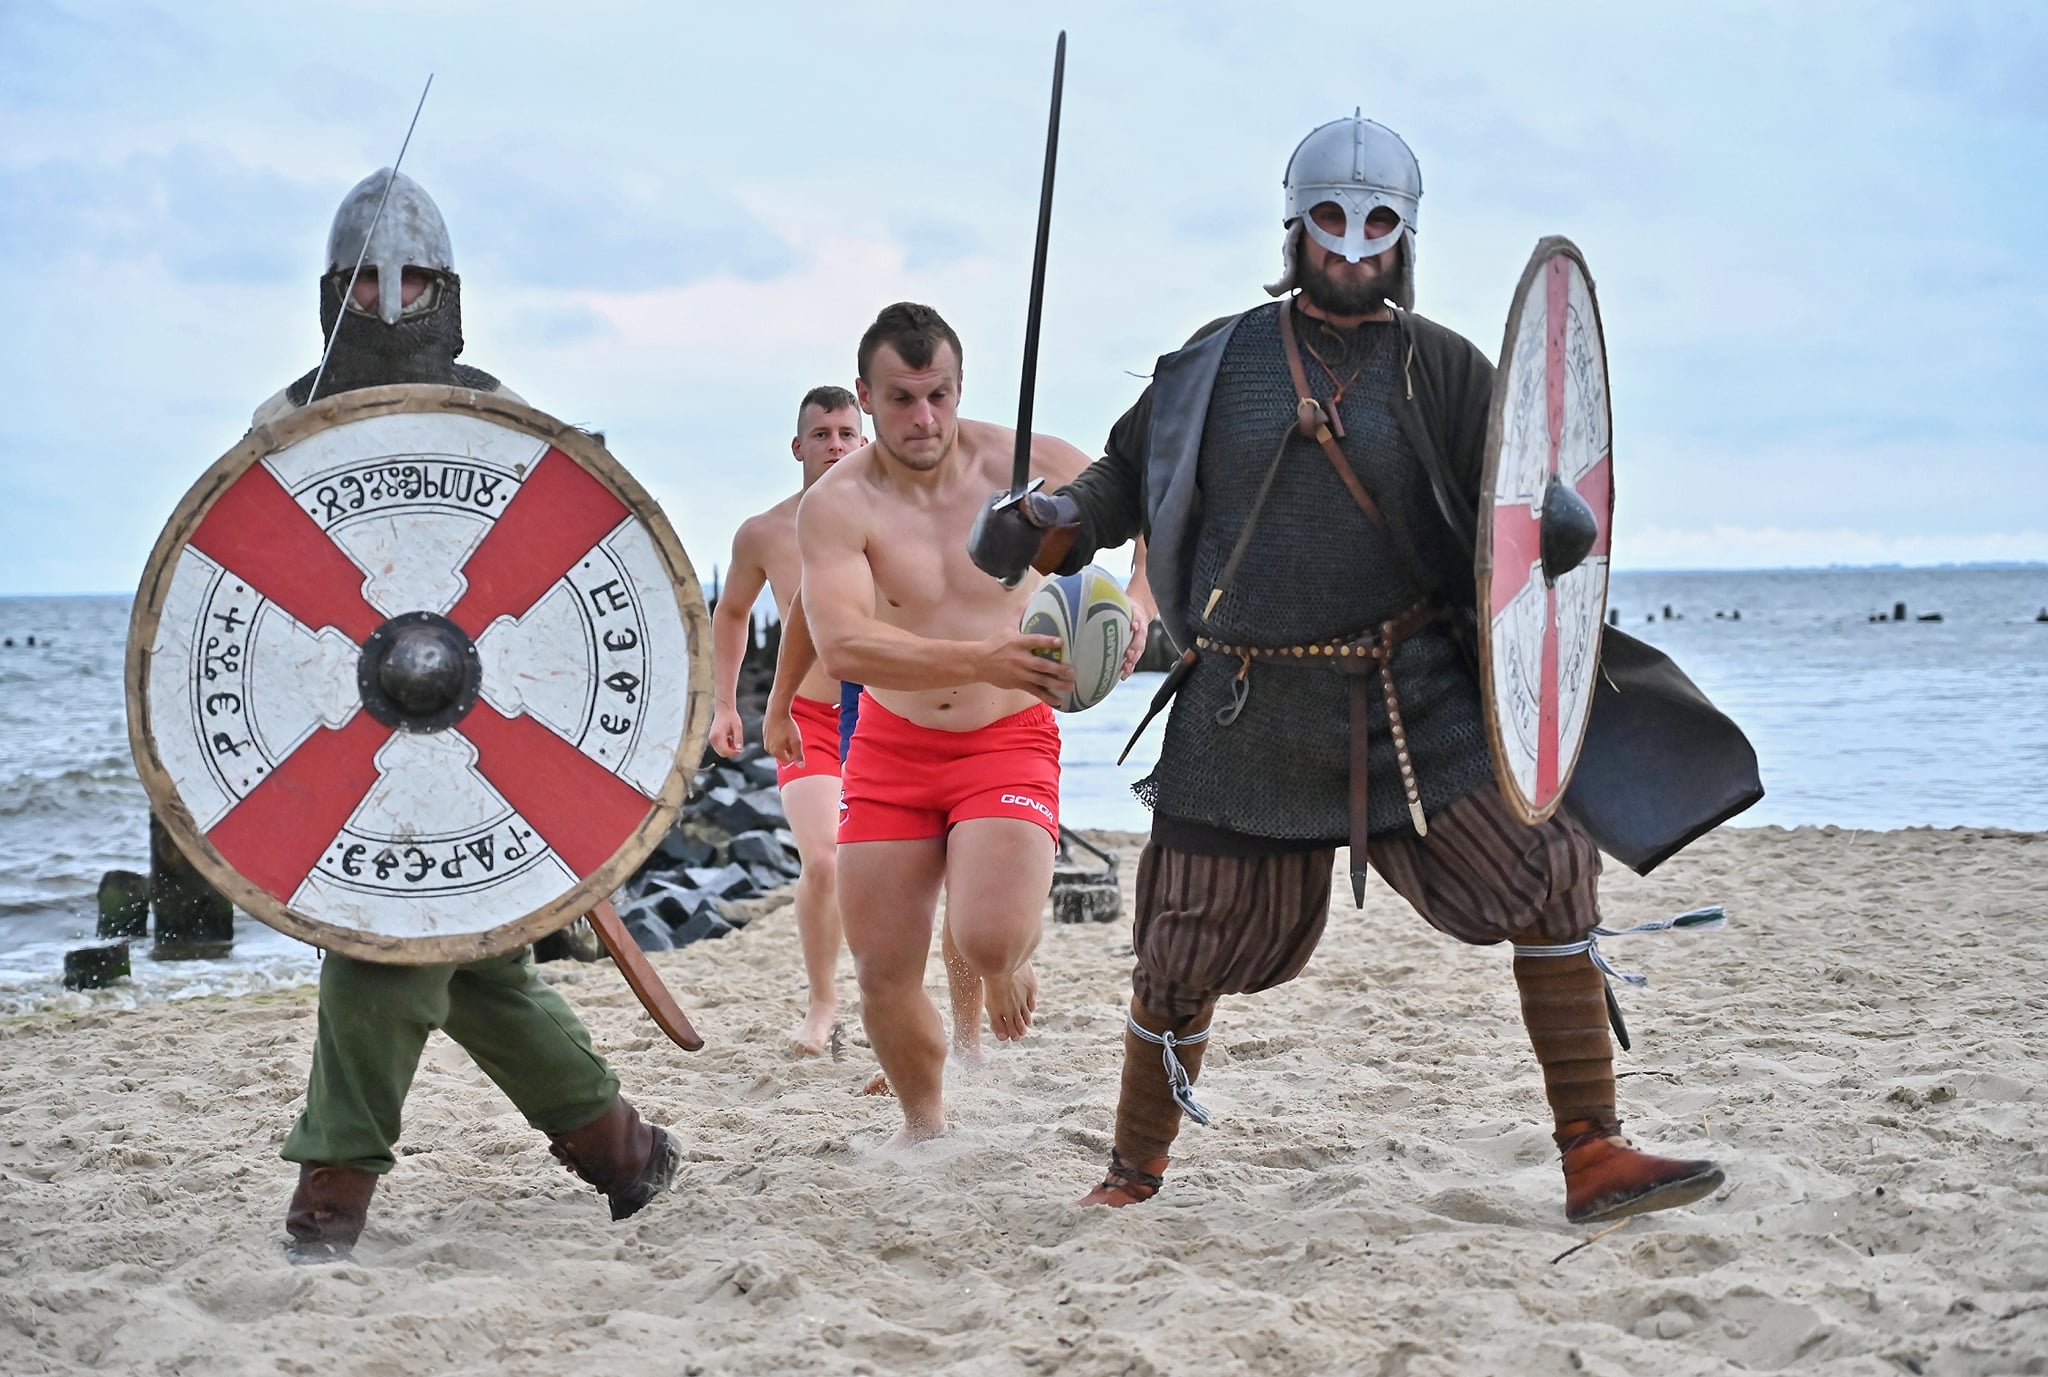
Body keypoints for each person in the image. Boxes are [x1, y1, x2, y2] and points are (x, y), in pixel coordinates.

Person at [969, 116, 1757, 1222]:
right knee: (1179, 945)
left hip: (1412, 700)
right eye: (1330, 221)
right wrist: (1048, 519)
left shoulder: (1445, 369)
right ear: (1294, 227)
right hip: (1246, 707)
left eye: (1376, 222)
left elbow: (1521, 505)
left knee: (1546, 873)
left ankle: (1593, 1150)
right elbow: (1124, 478)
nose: (1351, 244)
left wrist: (1557, 534)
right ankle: (1132, 1173)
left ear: (1405, 234)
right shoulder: (1216, 362)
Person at [265, 169, 679, 1261]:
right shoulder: (284, 431)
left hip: (476, 727)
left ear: (445, 291)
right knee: (477, 967)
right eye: (366, 282)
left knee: (387, 954)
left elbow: (552, 592)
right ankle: (624, 1150)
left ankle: (329, 1201)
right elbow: (267, 610)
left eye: (410, 280)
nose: (388, 299)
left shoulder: (497, 424)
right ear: (333, 291)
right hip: (356, 737)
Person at [798, 302, 1152, 1145]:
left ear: (961, 385)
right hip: (891, 744)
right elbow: (843, 646)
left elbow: (1162, 512)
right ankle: (925, 1125)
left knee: (989, 940)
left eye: (940, 395)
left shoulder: (1031, 465)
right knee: (883, 970)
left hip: (1007, 736)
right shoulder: (838, 503)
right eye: (901, 399)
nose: (924, 418)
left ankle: (1007, 961)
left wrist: (1139, 604)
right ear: (865, 396)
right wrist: (981, 657)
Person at [708, 387, 867, 1054]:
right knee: (825, 861)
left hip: (883, 713)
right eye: (822, 434)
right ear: (798, 446)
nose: (835, 445)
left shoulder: (893, 518)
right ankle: (822, 1005)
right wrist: (725, 704)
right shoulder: (765, 532)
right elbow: (731, 613)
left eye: (846, 433)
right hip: (804, 716)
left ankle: (888, 996)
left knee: (887, 868)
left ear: (864, 442)